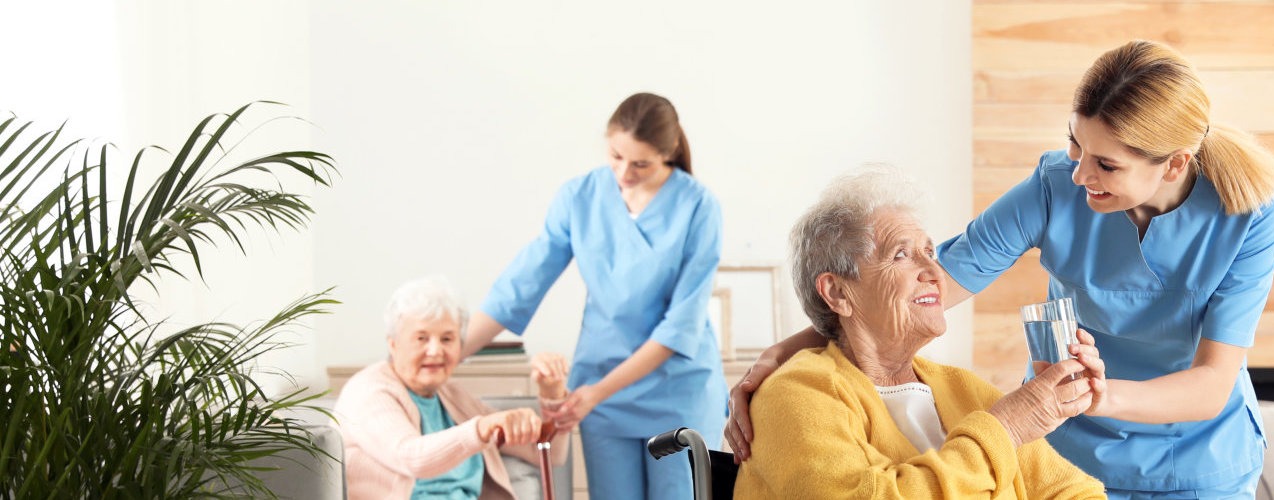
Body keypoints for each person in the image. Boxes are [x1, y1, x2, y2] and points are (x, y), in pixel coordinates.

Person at [730, 40, 1274, 497]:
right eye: (1075, 143)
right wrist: (793, 347)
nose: (1079, 173)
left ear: (1174, 165)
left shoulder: (1249, 207)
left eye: (1105, 164)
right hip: (1067, 440)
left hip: (1197, 452)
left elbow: (1213, 382)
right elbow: (933, 281)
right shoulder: (1055, 186)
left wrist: (1095, 395)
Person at [735, 168, 1106, 498]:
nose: (934, 270)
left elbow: (1075, 491)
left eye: (929, 251)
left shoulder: (961, 389)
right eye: (901, 255)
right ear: (837, 292)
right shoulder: (796, 394)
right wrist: (1005, 429)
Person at [461, 92, 725, 499]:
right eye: (616, 155)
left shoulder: (698, 207)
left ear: (668, 152)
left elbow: (680, 326)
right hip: (602, 392)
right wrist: (451, 353)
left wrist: (597, 392)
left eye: (641, 163)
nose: (624, 172)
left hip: (677, 393)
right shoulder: (579, 197)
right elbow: (521, 285)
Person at [337, 277, 572, 499]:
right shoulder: (367, 391)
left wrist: (552, 392)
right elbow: (411, 457)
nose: (435, 350)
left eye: (447, 339)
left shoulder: (453, 397)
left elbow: (549, 453)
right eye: (422, 338)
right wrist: (482, 428)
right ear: (393, 343)